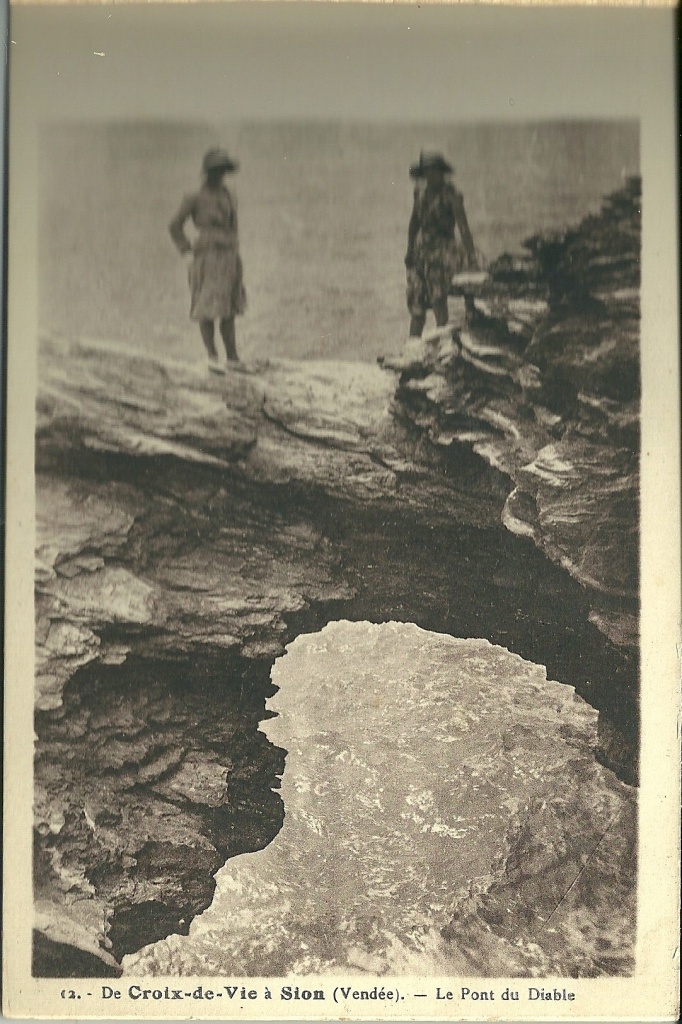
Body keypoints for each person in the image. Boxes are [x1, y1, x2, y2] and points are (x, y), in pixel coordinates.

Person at [169, 147, 246, 372]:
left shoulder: (229, 195)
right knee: (206, 306)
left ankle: (232, 357)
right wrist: (186, 252)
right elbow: (174, 226)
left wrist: (234, 252)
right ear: (207, 172)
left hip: (229, 256)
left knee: (229, 307)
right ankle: (212, 356)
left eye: (222, 170)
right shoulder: (194, 196)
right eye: (215, 171)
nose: (219, 175)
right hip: (207, 256)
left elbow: (233, 225)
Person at [404, 151, 478, 337]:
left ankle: (442, 338)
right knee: (416, 301)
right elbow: (414, 223)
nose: (431, 175)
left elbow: (463, 227)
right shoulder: (420, 193)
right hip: (421, 251)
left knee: (438, 297)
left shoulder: (451, 195)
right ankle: (412, 344)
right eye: (427, 171)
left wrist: (471, 256)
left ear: (441, 172)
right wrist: (409, 250)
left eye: (435, 170)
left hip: (443, 251)